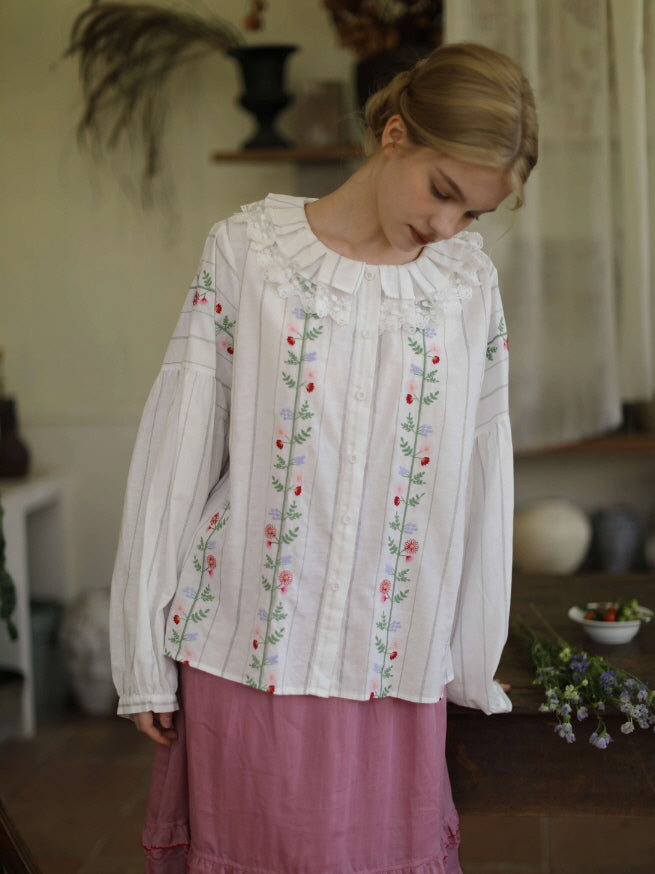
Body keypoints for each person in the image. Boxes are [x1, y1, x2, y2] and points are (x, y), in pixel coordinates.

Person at [110, 41, 538, 874]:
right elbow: (177, 449)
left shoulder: (465, 287)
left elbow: (481, 470)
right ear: (393, 133)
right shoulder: (249, 253)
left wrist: (469, 657)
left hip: (391, 663)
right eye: (441, 191)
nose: (446, 226)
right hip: (245, 653)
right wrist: (141, 657)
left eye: (472, 214)